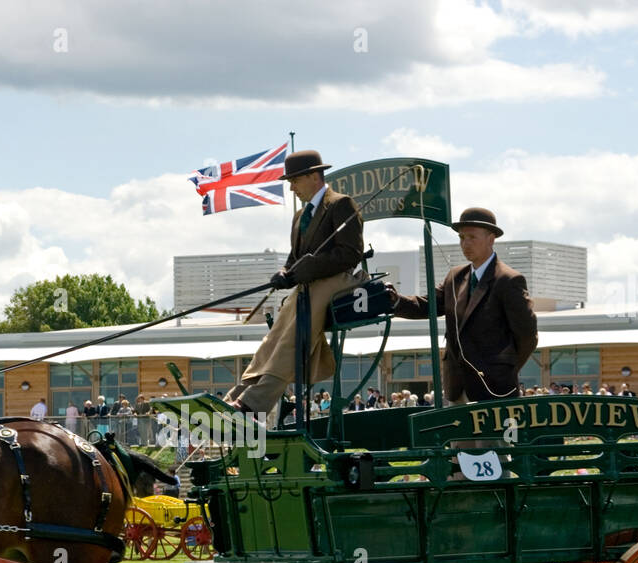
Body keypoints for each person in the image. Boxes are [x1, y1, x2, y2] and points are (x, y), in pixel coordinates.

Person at [225, 150, 365, 413]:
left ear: (314, 177)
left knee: (293, 336)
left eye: (295, 181)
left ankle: (253, 404)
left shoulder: (341, 204)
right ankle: (236, 395)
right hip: (309, 286)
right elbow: (294, 258)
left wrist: (312, 267)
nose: (291, 188)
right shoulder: (300, 216)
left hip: (339, 282)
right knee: (274, 338)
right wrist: (284, 272)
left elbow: (350, 254)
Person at [387, 207, 538, 404]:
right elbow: (428, 306)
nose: (465, 244)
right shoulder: (455, 277)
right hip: (457, 389)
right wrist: (395, 300)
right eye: (461, 237)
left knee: (493, 436)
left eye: (472, 237)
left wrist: (505, 369)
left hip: (495, 391)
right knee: (459, 437)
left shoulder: (509, 280)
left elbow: (528, 336)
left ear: (491, 239)